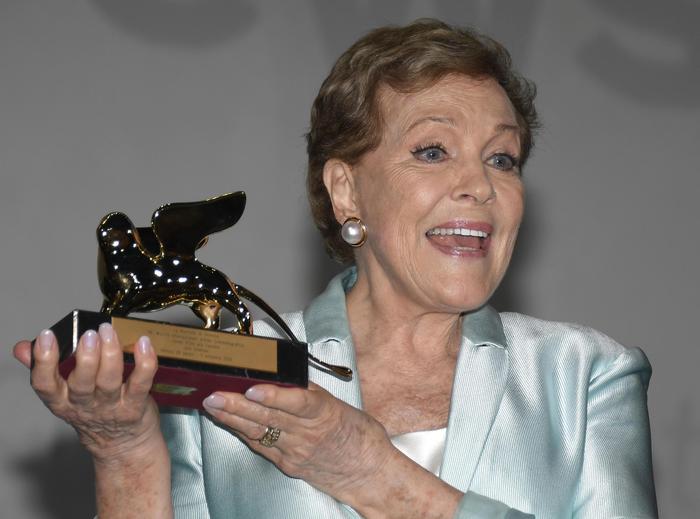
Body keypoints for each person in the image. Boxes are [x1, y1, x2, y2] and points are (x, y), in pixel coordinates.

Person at [13, 19, 657, 518]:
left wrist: (375, 476)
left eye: (503, 158)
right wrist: (122, 453)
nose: (479, 186)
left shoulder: (585, 375)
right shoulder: (228, 369)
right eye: (433, 150)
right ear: (346, 191)